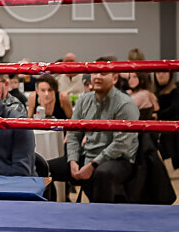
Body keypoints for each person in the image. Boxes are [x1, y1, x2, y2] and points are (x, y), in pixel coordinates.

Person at [47, 57, 140, 203]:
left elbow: (121, 144)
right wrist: (72, 160)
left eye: (103, 73)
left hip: (118, 160)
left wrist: (93, 165)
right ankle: (47, 213)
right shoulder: (84, 100)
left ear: (115, 78)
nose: (97, 76)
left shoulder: (125, 104)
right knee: (43, 167)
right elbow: (73, 133)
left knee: (102, 173)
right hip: (88, 155)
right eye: (95, 72)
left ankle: (99, 221)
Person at [155, 71, 178, 168]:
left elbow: (175, 109)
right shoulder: (153, 93)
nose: (161, 74)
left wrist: (157, 115)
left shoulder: (176, 91)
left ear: (170, 75)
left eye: (164, 72)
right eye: (158, 72)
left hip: (171, 133)